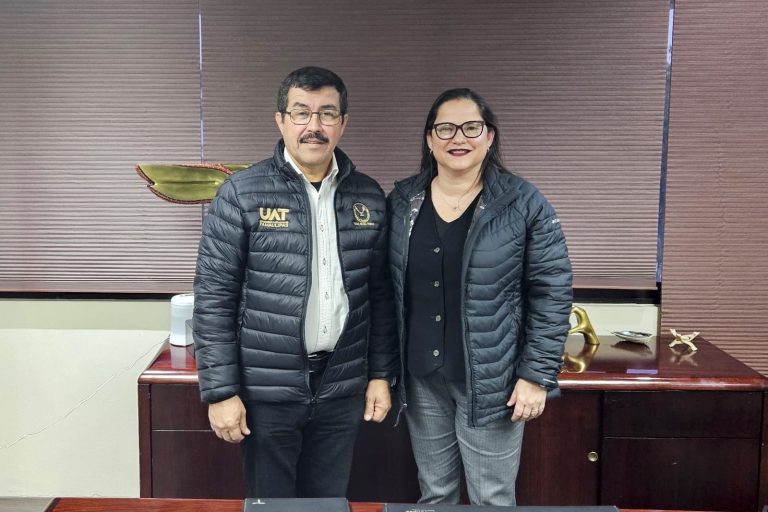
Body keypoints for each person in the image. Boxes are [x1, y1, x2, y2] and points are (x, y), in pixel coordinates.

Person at [192, 66, 398, 498]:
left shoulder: (368, 196)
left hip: (342, 387)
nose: (314, 126)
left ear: (343, 122)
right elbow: (214, 300)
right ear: (281, 120)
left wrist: (380, 374)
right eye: (301, 112)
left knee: (328, 502)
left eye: (327, 113)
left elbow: (379, 298)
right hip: (266, 390)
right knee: (272, 504)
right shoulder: (241, 194)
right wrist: (221, 392)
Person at [387, 88, 572, 506]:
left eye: (471, 127)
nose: (459, 138)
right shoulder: (402, 202)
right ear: (430, 138)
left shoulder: (523, 203)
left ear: (489, 136)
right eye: (446, 128)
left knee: (491, 499)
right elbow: (387, 291)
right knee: (435, 496)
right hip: (421, 377)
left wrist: (536, 375)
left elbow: (552, 292)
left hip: (492, 381)